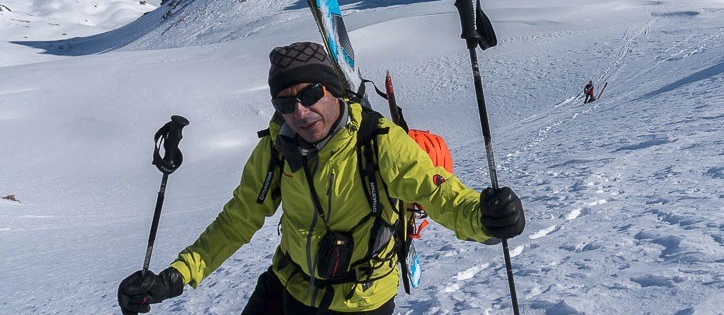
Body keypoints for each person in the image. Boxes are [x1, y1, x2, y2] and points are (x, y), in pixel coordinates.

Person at [118, 41, 525, 314]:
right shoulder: (277, 147)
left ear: (333, 91)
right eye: (285, 102)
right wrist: (175, 277)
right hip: (289, 287)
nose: (299, 111)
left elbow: (439, 194)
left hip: (360, 303)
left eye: (310, 95)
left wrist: (485, 216)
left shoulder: (379, 142)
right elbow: (238, 219)